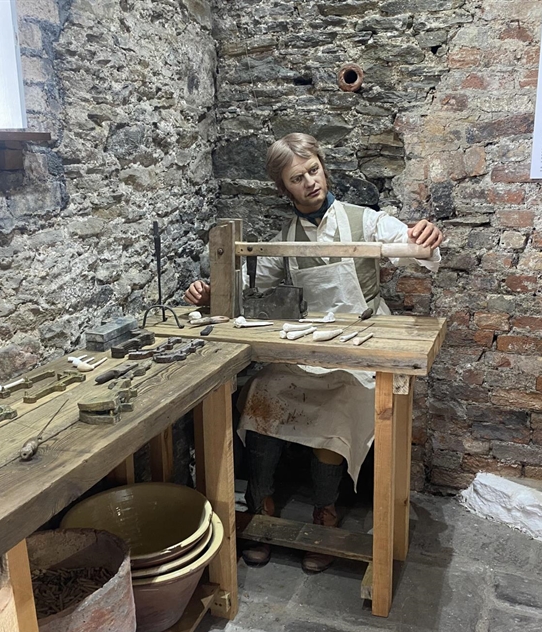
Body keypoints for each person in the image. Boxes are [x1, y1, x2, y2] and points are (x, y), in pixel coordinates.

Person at [184, 133, 444, 572]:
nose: (309, 182)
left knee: (342, 405)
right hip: (309, 345)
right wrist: (210, 293)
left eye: (313, 171)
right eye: (296, 178)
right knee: (262, 393)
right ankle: (261, 503)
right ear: (283, 188)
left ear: (323, 168)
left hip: (362, 341)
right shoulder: (285, 240)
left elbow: (414, 247)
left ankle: (326, 510)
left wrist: (426, 236)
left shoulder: (365, 221)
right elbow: (247, 287)